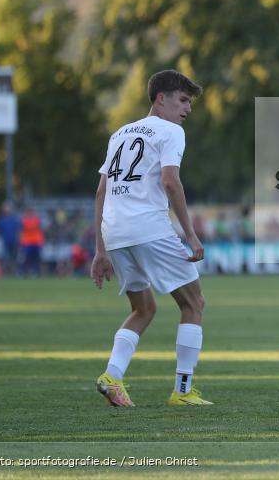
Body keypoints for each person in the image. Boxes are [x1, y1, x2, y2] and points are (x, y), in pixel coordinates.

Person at [90, 70, 210, 407]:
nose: (187, 109)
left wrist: (100, 249)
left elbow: (101, 191)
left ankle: (112, 376)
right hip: (150, 229)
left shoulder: (120, 134)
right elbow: (171, 182)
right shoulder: (171, 131)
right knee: (193, 303)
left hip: (116, 233)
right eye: (183, 100)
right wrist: (190, 235)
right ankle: (183, 392)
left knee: (143, 309)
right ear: (161, 98)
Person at [0, 202, 21, 275]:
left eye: (8, 208)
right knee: (5, 257)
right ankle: (6, 272)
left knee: (14, 258)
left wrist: (18, 240)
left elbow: (18, 231)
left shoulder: (14, 219)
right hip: (4, 242)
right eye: (5, 208)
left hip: (14, 241)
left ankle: (14, 272)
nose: (7, 209)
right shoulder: (1, 219)